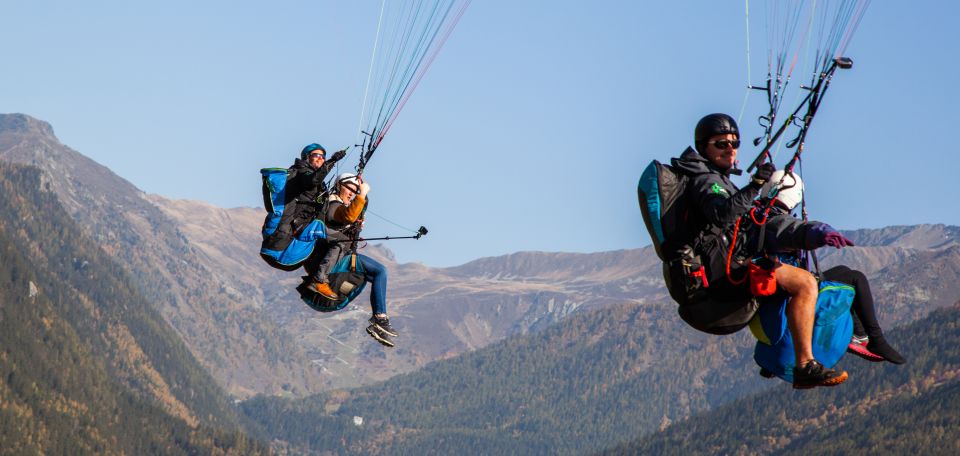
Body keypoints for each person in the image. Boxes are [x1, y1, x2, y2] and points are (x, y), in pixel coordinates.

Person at [674, 113, 847, 389]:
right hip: (723, 274)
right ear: (704, 147)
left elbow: (762, 225)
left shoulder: (715, 179)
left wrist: (812, 233)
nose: (730, 149)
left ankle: (774, 361)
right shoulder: (706, 181)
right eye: (721, 144)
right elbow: (722, 215)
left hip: (725, 267)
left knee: (788, 274)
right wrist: (754, 187)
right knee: (804, 284)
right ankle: (804, 365)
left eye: (734, 143)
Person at [754, 170, 905, 364]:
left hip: (777, 295)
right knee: (855, 278)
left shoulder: (759, 216)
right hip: (789, 295)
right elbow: (793, 230)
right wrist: (821, 233)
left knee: (841, 275)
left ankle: (859, 335)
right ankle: (876, 339)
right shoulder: (775, 221)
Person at [309, 172, 398, 347]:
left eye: (354, 191)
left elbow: (357, 210)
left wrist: (362, 194)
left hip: (342, 257)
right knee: (380, 270)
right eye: (349, 188)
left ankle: (378, 322)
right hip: (336, 260)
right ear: (338, 186)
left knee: (377, 274)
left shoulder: (343, 205)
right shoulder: (333, 204)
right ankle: (379, 318)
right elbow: (348, 215)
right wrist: (362, 193)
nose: (351, 193)